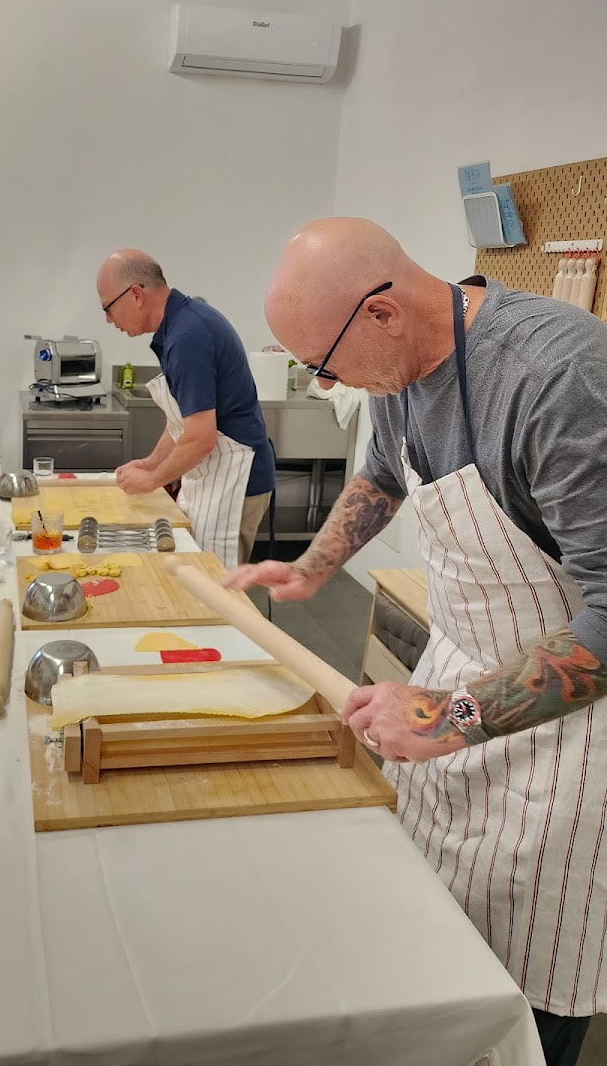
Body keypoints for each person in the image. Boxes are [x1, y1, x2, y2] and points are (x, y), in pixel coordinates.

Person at [226, 217, 607, 1066]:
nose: (327, 381)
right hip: (457, 680)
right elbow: (384, 475)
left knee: (525, 989)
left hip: (573, 741)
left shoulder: (556, 377)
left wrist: (449, 717)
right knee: (436, 941)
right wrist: (310, 568)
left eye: (326, 362)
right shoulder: (401, 365)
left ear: (384, 313)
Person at [96, 249, 274, 568]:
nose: (109, 320)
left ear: (136, 294)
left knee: (215, 588)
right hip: (215, 474)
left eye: (108, 308)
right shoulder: (180, 326)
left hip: (234, 480)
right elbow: (182, 422)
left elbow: (201, 437)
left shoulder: (188, 336)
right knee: (200, 577)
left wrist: (151, 482)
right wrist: (152, 464)